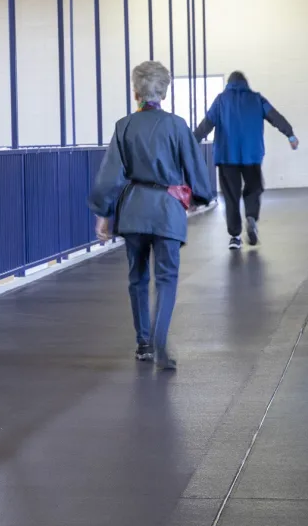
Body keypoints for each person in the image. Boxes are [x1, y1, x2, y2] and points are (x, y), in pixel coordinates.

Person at [89, 61, 215, 369]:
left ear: (136, 93)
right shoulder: (177, 125)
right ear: (165, 92)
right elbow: (195, 169)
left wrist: (104, 212)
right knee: (167, 278)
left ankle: (143, 343)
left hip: (133, 211)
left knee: (137, 277)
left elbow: (110, 176)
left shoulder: (124, 126)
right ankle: (160, 336)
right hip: (168, 211)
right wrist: (199, 196)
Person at [194, 71, 298, 250]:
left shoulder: (221, 100)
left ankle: (235, 236)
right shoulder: (256, 99)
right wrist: (290, 134)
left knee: (231, 196)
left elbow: (206, 124)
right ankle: (251, 216)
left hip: (227, 157)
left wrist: (190, 142)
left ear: (229, 83)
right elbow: (275, 117)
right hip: (252, 156)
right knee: (254, 189)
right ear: (245, 83)